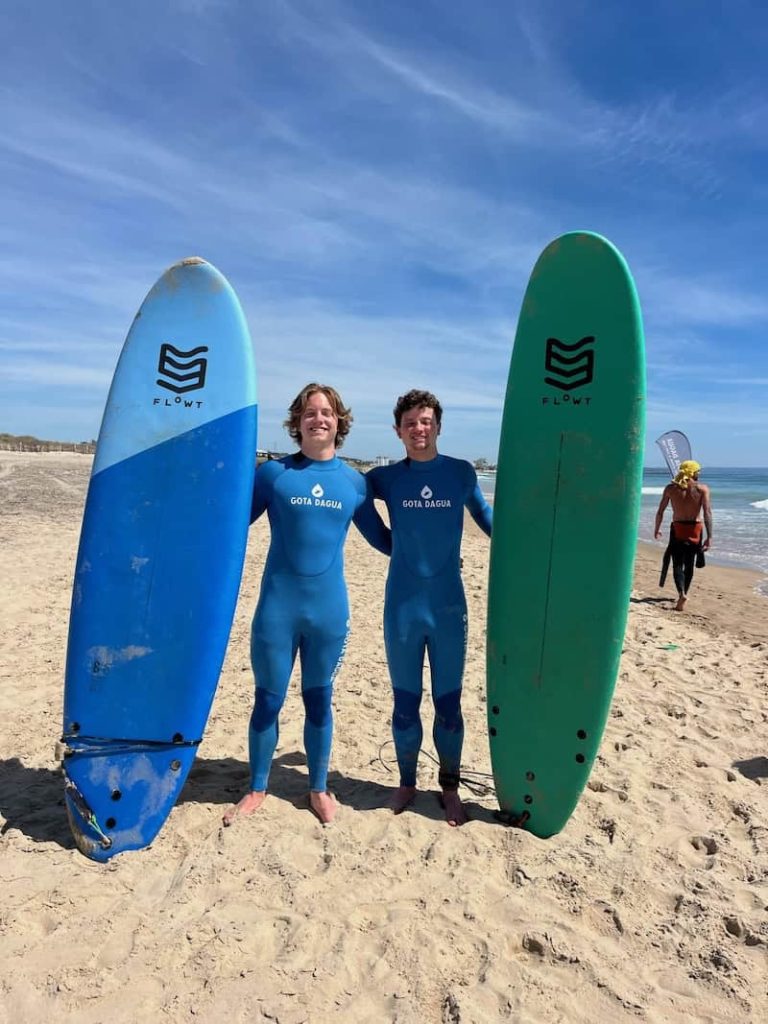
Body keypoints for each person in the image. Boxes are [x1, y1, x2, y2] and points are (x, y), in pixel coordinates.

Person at [223, 383, 390, 826]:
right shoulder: (273, 474)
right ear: (297, 423)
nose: (319, 419)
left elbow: (384, 540)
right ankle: (257, 787)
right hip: (277, 611)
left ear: (340, 422)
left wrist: (435, 541)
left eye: (328, 412)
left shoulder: (354, 483)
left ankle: (317, 788)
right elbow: (232, 525)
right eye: (310, 412)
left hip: (329, 614)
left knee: (319, 701)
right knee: (267, 701)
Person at [367, 389, 492, 826]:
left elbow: (492, 524)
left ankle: (450, 788)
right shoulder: (385, 479)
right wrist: (391, 546)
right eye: (411, 423)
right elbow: (357, 503)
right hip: (402, 605)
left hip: (447, 607)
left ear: (438, 426)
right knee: (404, 704)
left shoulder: (460, 474)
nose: (419, 429)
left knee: (450, 706)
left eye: (426, 421)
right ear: (398, 430)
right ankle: (405, 784)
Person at [654, 459, 712, 612]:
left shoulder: (671, 489)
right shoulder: (702, 489)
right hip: (695, 529)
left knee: (677, 564)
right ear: (692, 472)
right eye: (698, 471)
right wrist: (709, 537)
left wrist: (657, 528)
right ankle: (683, 595)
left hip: (678, 528)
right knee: (689, 564)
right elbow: (707, 513)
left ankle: (682, 593)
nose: (699, 473)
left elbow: (660, 511)